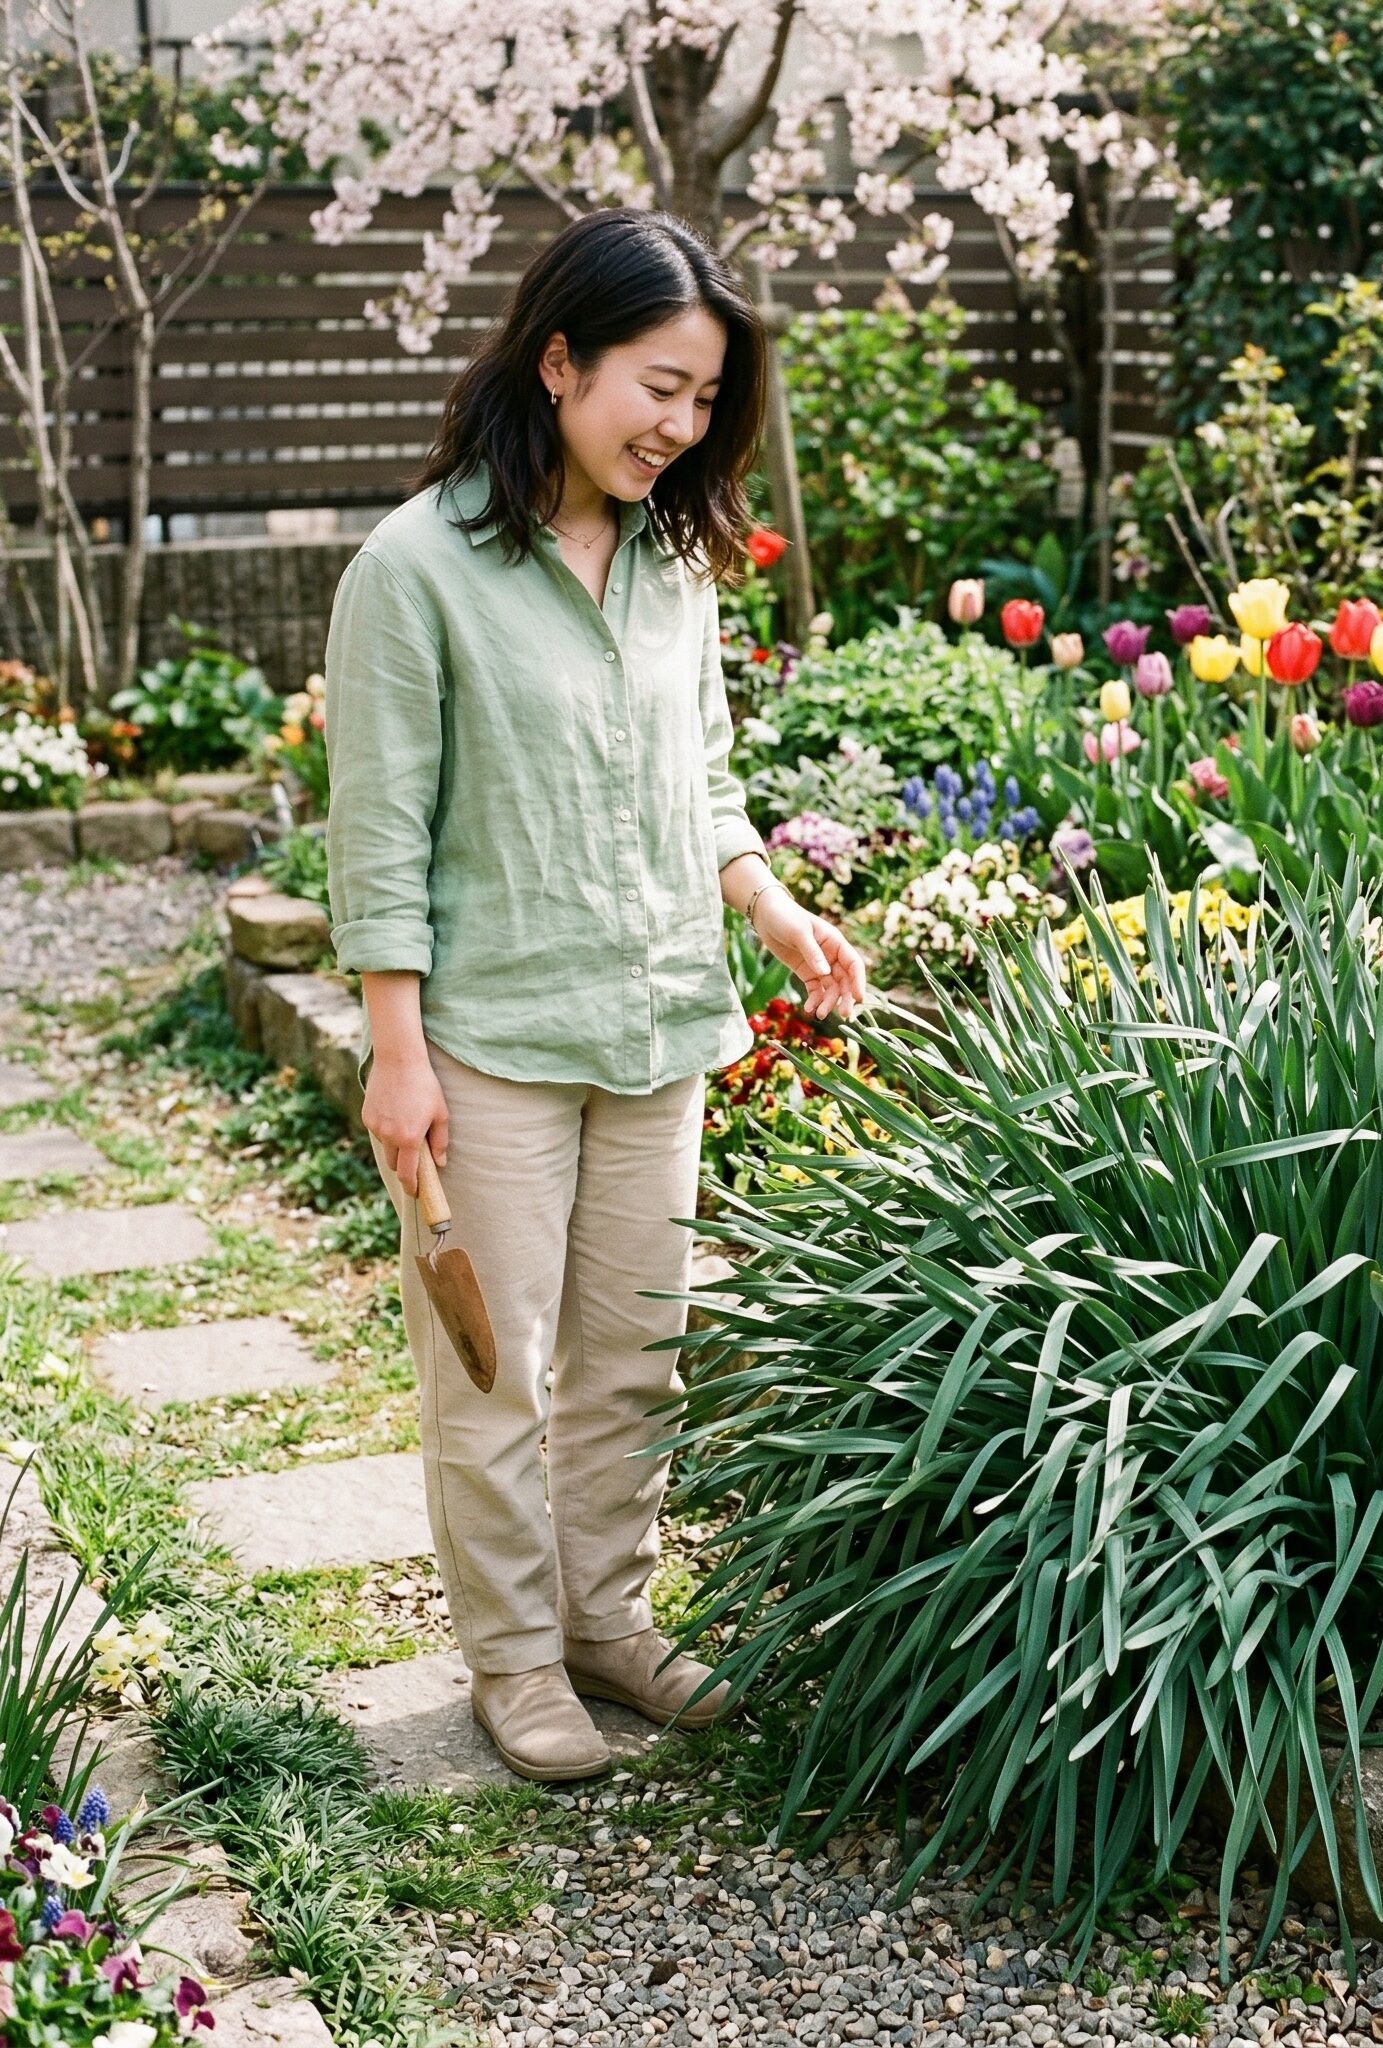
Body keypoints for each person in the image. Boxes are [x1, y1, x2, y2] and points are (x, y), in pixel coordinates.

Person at [324, 209, 865, 1781]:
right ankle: (511, 1664)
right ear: (558, 361)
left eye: (705, 400)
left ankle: (605, 1621)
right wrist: (397, 1055)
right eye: (658, 386)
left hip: (660, 1025)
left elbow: (698, 783)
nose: (681, 427)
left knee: (639, 1351)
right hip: (487, 1041)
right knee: (497, 1372)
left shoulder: (674, 564)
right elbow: (379, 837)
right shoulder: (415, 569)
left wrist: (772, 909)